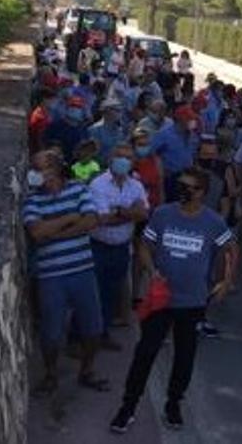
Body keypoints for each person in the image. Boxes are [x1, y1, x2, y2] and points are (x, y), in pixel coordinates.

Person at [109, 167, 238, 433]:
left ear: (201, 193)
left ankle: (173, 404)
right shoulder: (163, 214)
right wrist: (151, 269)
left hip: (192, 303)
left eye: (190, 187)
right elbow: (145, 245)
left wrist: (226, 281)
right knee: (145, 353)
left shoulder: (213, 221)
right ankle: (128, 407)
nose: (184, 190)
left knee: (185, 355)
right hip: (162, 300)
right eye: (181, 184)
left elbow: (231, 248)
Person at [21, 150, 107, 396]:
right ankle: (50, 374)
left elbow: (91, 221)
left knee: (93, 328)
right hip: (51, 277)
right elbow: (36, 232)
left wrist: (55, 234)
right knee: (51, 332)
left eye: (41, 168)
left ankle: (87, 371)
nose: (36, 174)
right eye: (34, 169)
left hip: (82, 272)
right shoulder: (32, 200)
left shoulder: (78, 189)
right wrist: (69, 218)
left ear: (56, 169)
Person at [88, 144, 148, 349]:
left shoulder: (136, 185)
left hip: (122, 248)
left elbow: (144, 214)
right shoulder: (99, 185)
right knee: (94, 294)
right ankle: (80, 337)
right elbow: (102, 219)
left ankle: (101, 333)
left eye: (129, 158)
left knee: (111, 293)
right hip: (99, 246)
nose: (124, 161)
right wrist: (129, 212)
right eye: (120, 157)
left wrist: (119, 212)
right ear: (111, 158)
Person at [150, 105, 201, 201]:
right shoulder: (164, 134)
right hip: (170, 177)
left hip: (187, 176)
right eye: (189, 119)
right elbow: (151, 152)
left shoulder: (192, 135)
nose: (192, 122)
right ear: (180, 120)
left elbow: (193, 153)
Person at [44, 95, 92, 162]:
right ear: (67, 108)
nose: (75, 110)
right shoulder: (55, 126)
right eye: (73, 106)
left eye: (79, 108)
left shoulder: (84, 130)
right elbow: (47, 144)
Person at [89, 96, 128, 163]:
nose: (120, 113)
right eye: (117, 110)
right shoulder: (94, 130)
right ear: (107, 111)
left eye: (120, 110)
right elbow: (93, 154)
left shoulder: (120, 129)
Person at [28, 87, 57, 154]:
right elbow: (39, 137)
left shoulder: (45, 112)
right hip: (37, 149)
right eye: (51, 100)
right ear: (44, 100)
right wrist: (43, 151)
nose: (53, 102)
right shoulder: (39, 116)